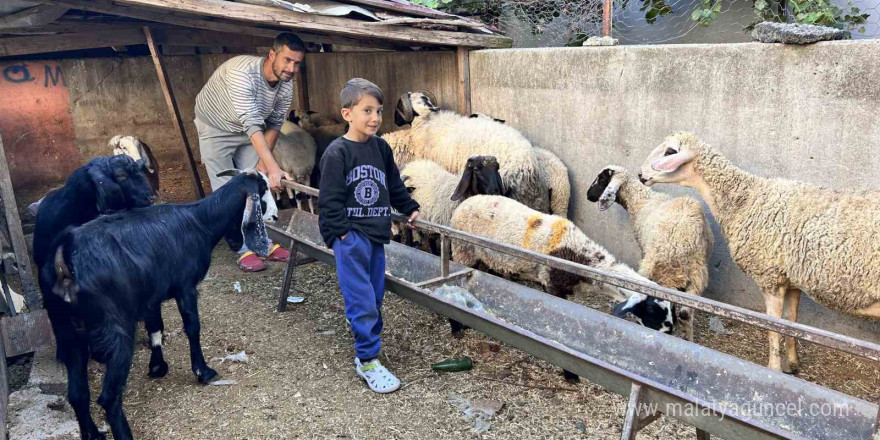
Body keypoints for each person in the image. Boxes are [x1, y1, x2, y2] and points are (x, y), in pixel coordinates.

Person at [318, 78, 420, 393]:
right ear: (347, 114)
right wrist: (343, 235)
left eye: (378, 110)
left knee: (374, 297)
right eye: (367, 110)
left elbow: (393, 184)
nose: (375, 117)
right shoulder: (337, 153)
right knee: (362, 301)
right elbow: (329, 201)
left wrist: (409, 207)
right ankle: (368, 361)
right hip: (350, 239)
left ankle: (362, 329)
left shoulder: (381, 148)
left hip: (376, 234)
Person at [194, 33, 304, 272]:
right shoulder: (242, 73)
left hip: (249, 130)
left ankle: (262, 242)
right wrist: (273, 167)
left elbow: (274, 123)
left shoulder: (286, 83)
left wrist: (265, 167)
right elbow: (251, 122)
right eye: (287, 60)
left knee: (254, 185)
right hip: (215, 127)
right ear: (272, 55)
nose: (291, 68)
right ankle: (243, 249)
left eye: (297, 63)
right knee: (227, 189)